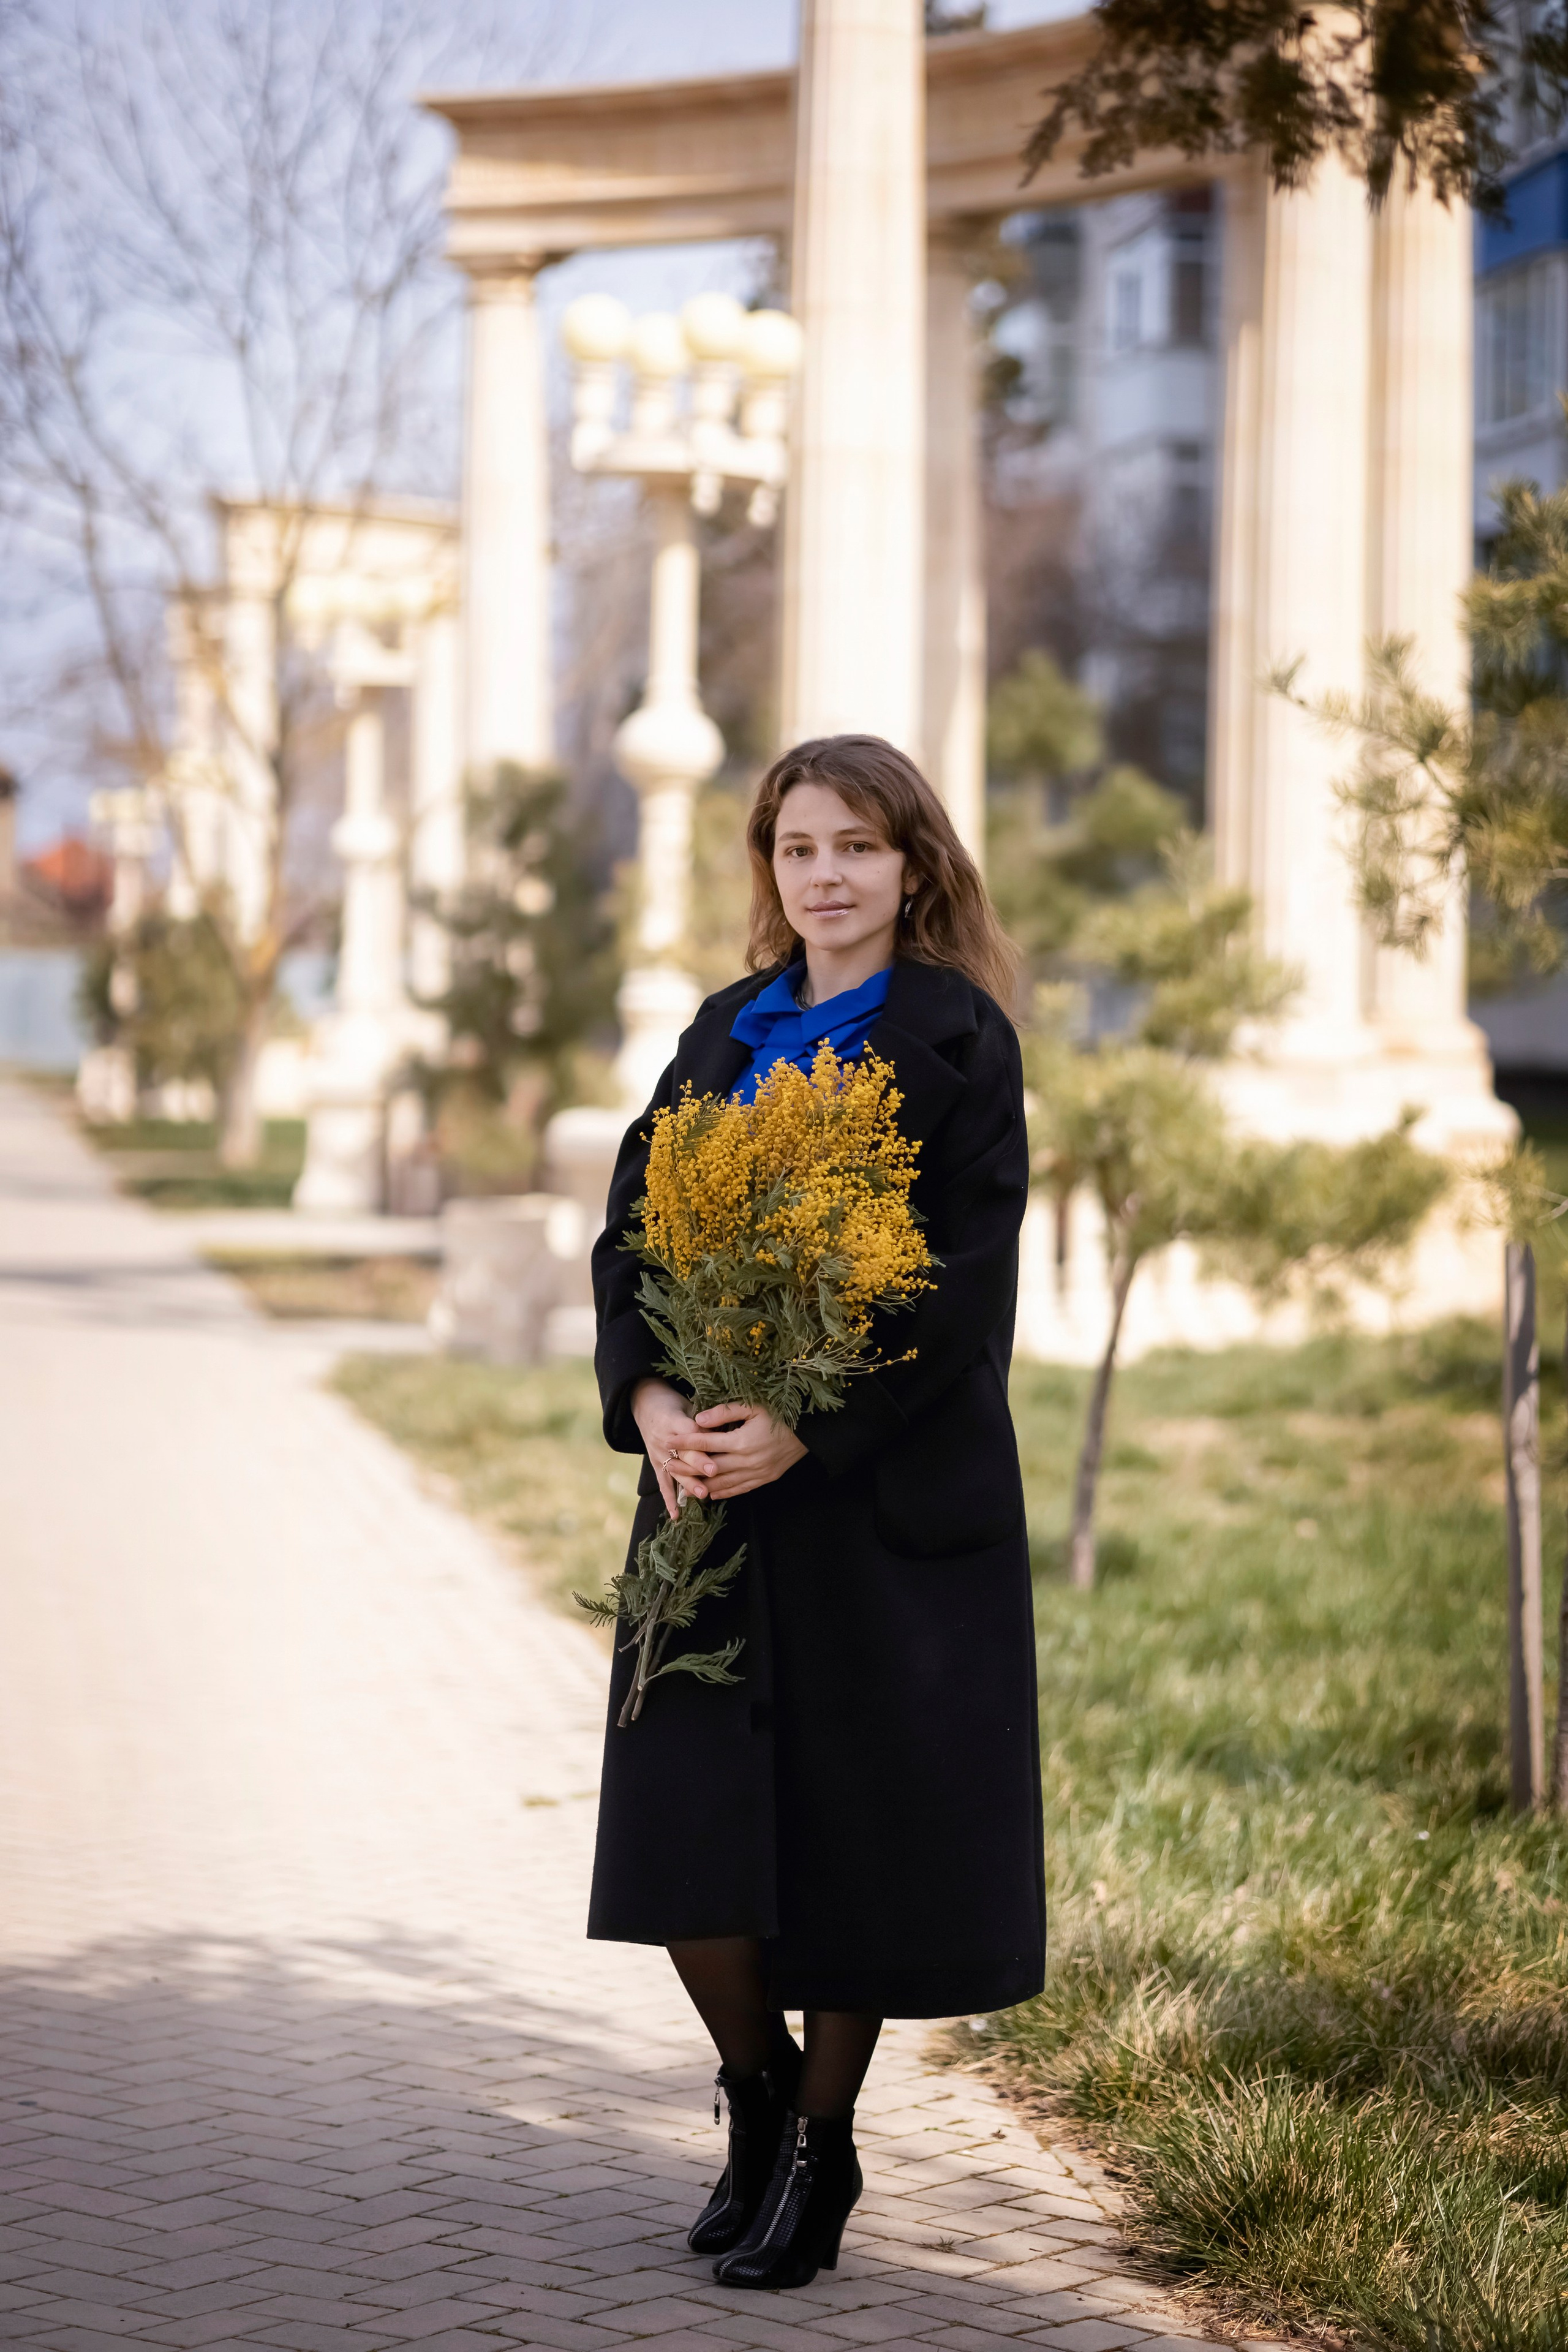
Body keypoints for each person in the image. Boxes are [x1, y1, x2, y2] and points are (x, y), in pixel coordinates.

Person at [587, 734, 1046, 2291]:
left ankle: (825, 2144)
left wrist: (811, 1422)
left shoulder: (960, 1038)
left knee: (858, 1839)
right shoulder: (723, 1031)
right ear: (767, 869)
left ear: (912, 866)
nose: (825, 875)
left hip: (876, 1500)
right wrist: (654, 1399)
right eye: (797, 848)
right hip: (705, 1491)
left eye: (856, 846)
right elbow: (631, 1237)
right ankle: (758, 2090)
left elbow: (962, 1284)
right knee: (681, 1827)